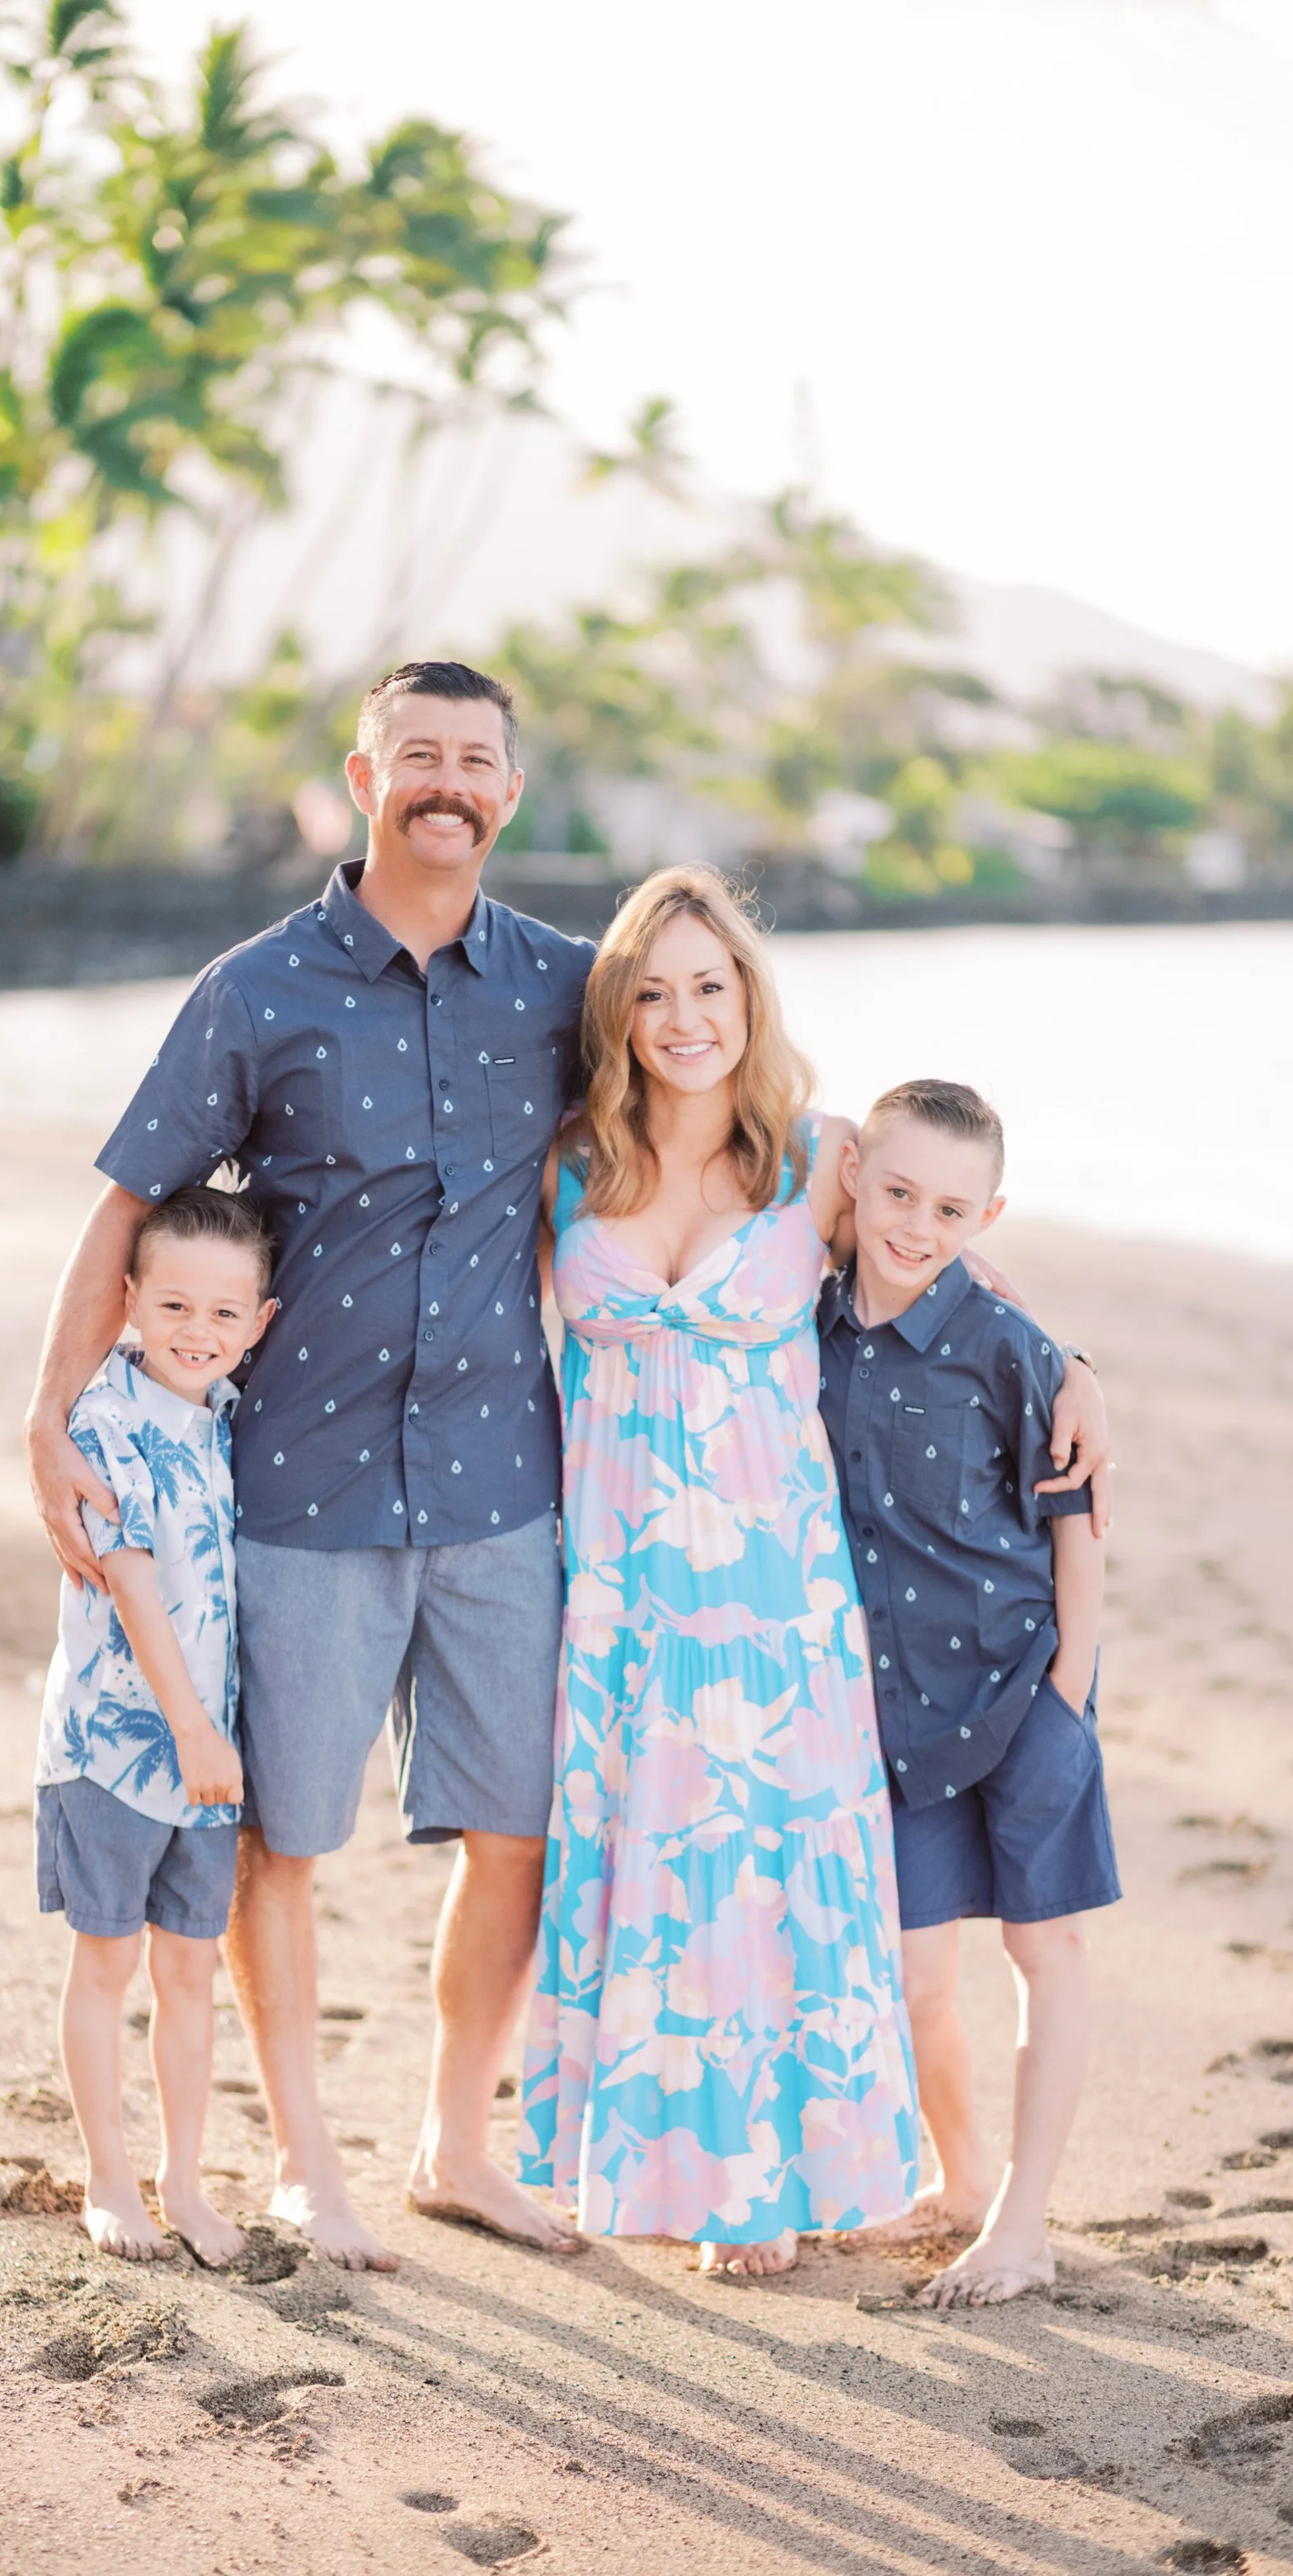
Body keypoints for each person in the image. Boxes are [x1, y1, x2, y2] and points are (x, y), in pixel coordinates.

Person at [25, 659, 594, 2270]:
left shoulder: (564, 983)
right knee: (282, 1835)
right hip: (300, 1489)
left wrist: (1048, 1353)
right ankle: (302, 2165)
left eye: (475, 759)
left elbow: (730, 1102)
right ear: (362, 777)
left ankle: (456, 2144)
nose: (447, 782)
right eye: (417, 753)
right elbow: (127, 1208)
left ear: (507, 790)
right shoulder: (256, 991)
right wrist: (44, 1417)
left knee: (518, 1829)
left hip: (499, 1478)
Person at [519, 867, 923, 2278]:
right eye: (655, 990)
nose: (686, 1016)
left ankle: (780, 2178)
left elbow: (944, 1272)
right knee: (648, 1850)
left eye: (711, 984)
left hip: (776, 1585)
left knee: (770, 1855)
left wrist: (1081, 1377)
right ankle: (671, 2168)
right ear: (618, 1013)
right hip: (622, 1582)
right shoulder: (573, 1161)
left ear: (749, 995)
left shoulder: (820, 1156)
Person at [819, 1079, 1118, 2306]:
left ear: (988, 1212)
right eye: (896, 1193)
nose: (917, 1226)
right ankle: (957, 2177)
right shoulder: (809, 1327)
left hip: (1021, 1698)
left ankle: (1022, 2224)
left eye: (950, 1208)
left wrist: (1065, 1703)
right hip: (894, 1717)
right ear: (856, 1184)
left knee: (1043, 1952)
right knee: (914, 1977)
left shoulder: (1012, 1349)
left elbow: (1080, 1532)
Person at [34, 1181, 277, 2268]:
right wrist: (190, 1730)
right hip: (118, 1747)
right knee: (108, 1964)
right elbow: (131, 1583)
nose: (198, 1333)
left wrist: (211, 1736)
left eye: (225, 1315)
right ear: (130, 1301)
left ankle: (184, 2181)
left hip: (204, 1751)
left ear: (260, 1324)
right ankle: (108, 2179)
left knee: (191, 1972)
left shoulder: (224, 1422)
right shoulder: (105, 1418)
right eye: (175, 1307)